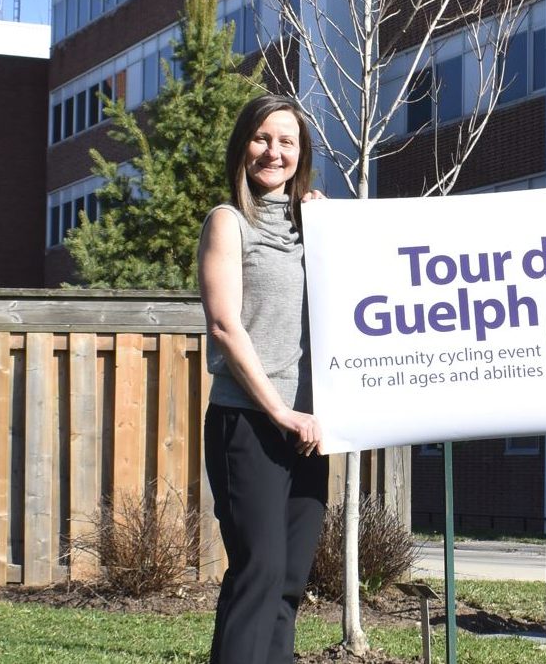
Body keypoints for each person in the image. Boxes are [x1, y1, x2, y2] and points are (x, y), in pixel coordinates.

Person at [198, 94, 329, 664]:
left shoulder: (315, 227)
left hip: (310, 430)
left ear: (302, 154)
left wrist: (328, 224)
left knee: (289, 580)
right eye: (262, 138)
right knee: (260, 570)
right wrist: (280, 410)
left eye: (287, 142)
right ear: (243, 146)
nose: (274, 152)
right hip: (250, 420)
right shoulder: (227, 223)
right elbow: (225, 326)